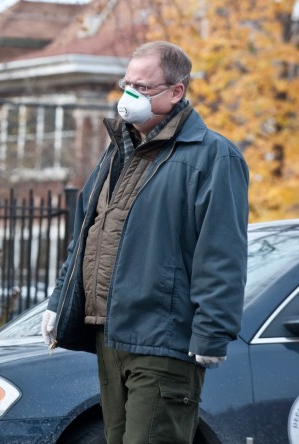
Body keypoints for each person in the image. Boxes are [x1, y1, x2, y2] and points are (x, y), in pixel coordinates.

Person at [40, 41, 249, 443]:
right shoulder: (117, 151)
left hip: (164, 341)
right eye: (128, 83)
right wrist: (58, 301)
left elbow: (221, 252)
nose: (130, 96)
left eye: (144, 87)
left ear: (177, 92)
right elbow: (87, 231)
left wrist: (212, 331)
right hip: (110, 336)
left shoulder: (212, 157)